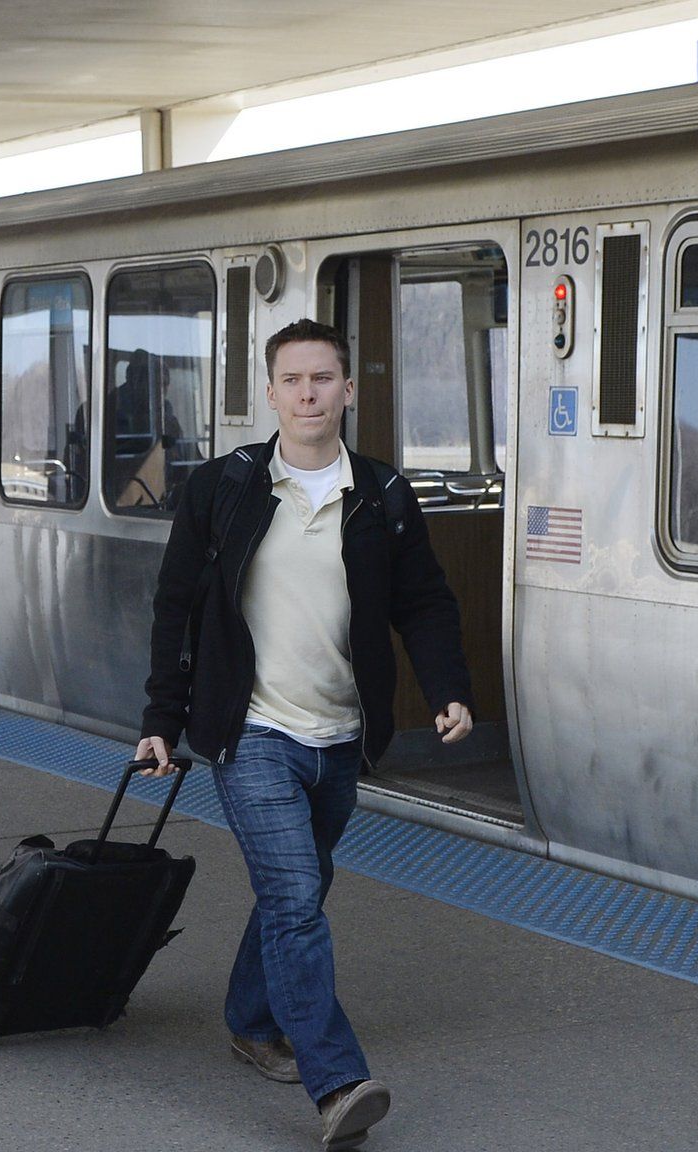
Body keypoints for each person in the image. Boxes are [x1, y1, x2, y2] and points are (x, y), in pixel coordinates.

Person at [136, 318, 473, 1150]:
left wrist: (447, 689)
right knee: (294, 899)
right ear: (271, 391)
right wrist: (161, 722)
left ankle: (251, 1017)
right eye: (293, 380)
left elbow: (422, 602)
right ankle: (338, 1082)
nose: (310, 394)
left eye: (324, 379)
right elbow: (178, 610)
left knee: (302, 889)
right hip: (251, 730)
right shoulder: (225, 488)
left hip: (341, 737)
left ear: (348, 391)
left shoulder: (384, 496)